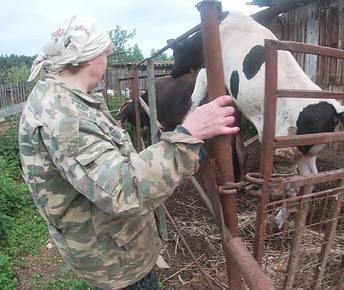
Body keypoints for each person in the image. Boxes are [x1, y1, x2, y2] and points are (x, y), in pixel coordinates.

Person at [19, 15, 239, 290]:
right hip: (116, 261)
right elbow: (124, 190)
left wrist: (191, 149)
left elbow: (110, 166)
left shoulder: (63, 99)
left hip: (111, 244)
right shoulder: (65, 116)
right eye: (106, 54)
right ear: (93, 58)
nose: (106, 61)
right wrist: (186, 135)